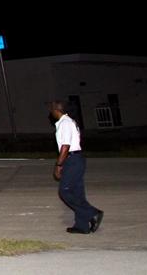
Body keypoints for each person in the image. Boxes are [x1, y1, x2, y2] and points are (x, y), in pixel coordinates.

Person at [51, 100, 103, 234]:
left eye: (52, 108)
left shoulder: (65, 123)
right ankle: (82, 225)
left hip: (72, 160)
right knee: (77, 193)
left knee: (65, 191)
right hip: (75, 159)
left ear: (57, 109)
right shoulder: (68, 122)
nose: (51, 111)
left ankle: (92, 212)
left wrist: (59, 165)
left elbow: (65, 146)